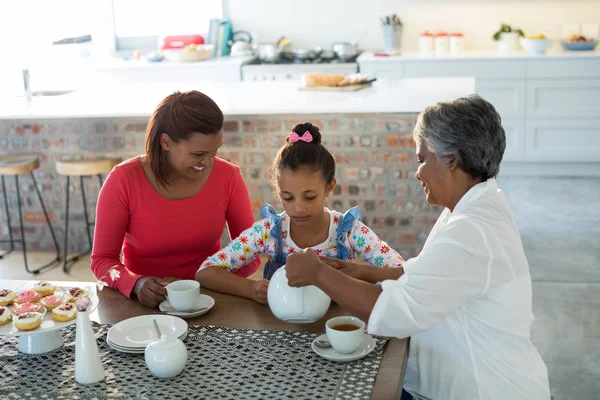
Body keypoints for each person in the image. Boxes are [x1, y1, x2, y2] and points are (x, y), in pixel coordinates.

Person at [284, 96, 551, 400]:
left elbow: (397, 313)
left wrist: (318, 273)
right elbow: (430, 277)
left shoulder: (470, 232)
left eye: (422, 159)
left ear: (451, 158)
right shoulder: (473, 208)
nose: (418, 173)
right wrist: (364, 271)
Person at [196, 122, 405, 304]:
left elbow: (403, 273)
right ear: (278, 192)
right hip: (278, 331)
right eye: (288, 197)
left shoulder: (349, 232)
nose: (298, 208)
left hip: (333, 327)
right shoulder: (269, 232)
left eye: (310, 197)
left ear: (329, 187)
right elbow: (206, 271)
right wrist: (250, 289)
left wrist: (359, 272)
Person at [91, 90, 260, 308]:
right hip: (143, 304)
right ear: (166, 142)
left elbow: (251, 254)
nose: (208, 162)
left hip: (209, 300)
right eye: (198, 154)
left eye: (214, 151)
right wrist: (136, 284)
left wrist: (206, 284)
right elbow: (102, 261)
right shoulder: (123, 180)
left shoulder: (229, 177)